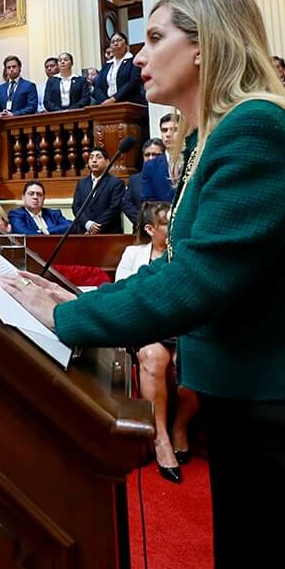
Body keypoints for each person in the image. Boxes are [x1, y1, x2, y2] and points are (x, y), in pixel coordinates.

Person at [0, 0, 285, 569]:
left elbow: (201, 280)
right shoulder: (222, 134)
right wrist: (78, 302)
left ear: (205, 47)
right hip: (262, 399)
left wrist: (71, 317)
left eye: (154, 39)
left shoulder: (256, 127)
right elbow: (185, 263)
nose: (138, 59)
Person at [114, 201, 198, 484]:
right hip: (149, 328)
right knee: (152, 357)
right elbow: (125, 294)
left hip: (185, 329)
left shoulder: (186, 252)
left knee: (194, 359)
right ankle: (161, 439)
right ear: (150, 229)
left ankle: (180, 428)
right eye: (165, 223)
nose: (173, 227)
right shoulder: (133, 254)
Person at [72, 148, 126, 234]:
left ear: (107, 162)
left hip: (107, 232)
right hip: (83, 231)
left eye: (98, 157)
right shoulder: (81, 183)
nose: (94, 160)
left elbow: (114, 208)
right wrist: (88, 224)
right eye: (91, 157)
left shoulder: (116, 183)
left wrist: (95, 227)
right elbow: (76, 207)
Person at [92, 31, 146, 106]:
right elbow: (98, 86)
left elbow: (133, 82)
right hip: (107, 106)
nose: (116, 44)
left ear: (126, 44)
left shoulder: (133, 62)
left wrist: (114, 99)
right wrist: (105, 101)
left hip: (128, 104)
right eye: (113, 42)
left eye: (119, 40)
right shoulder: (107, 65)